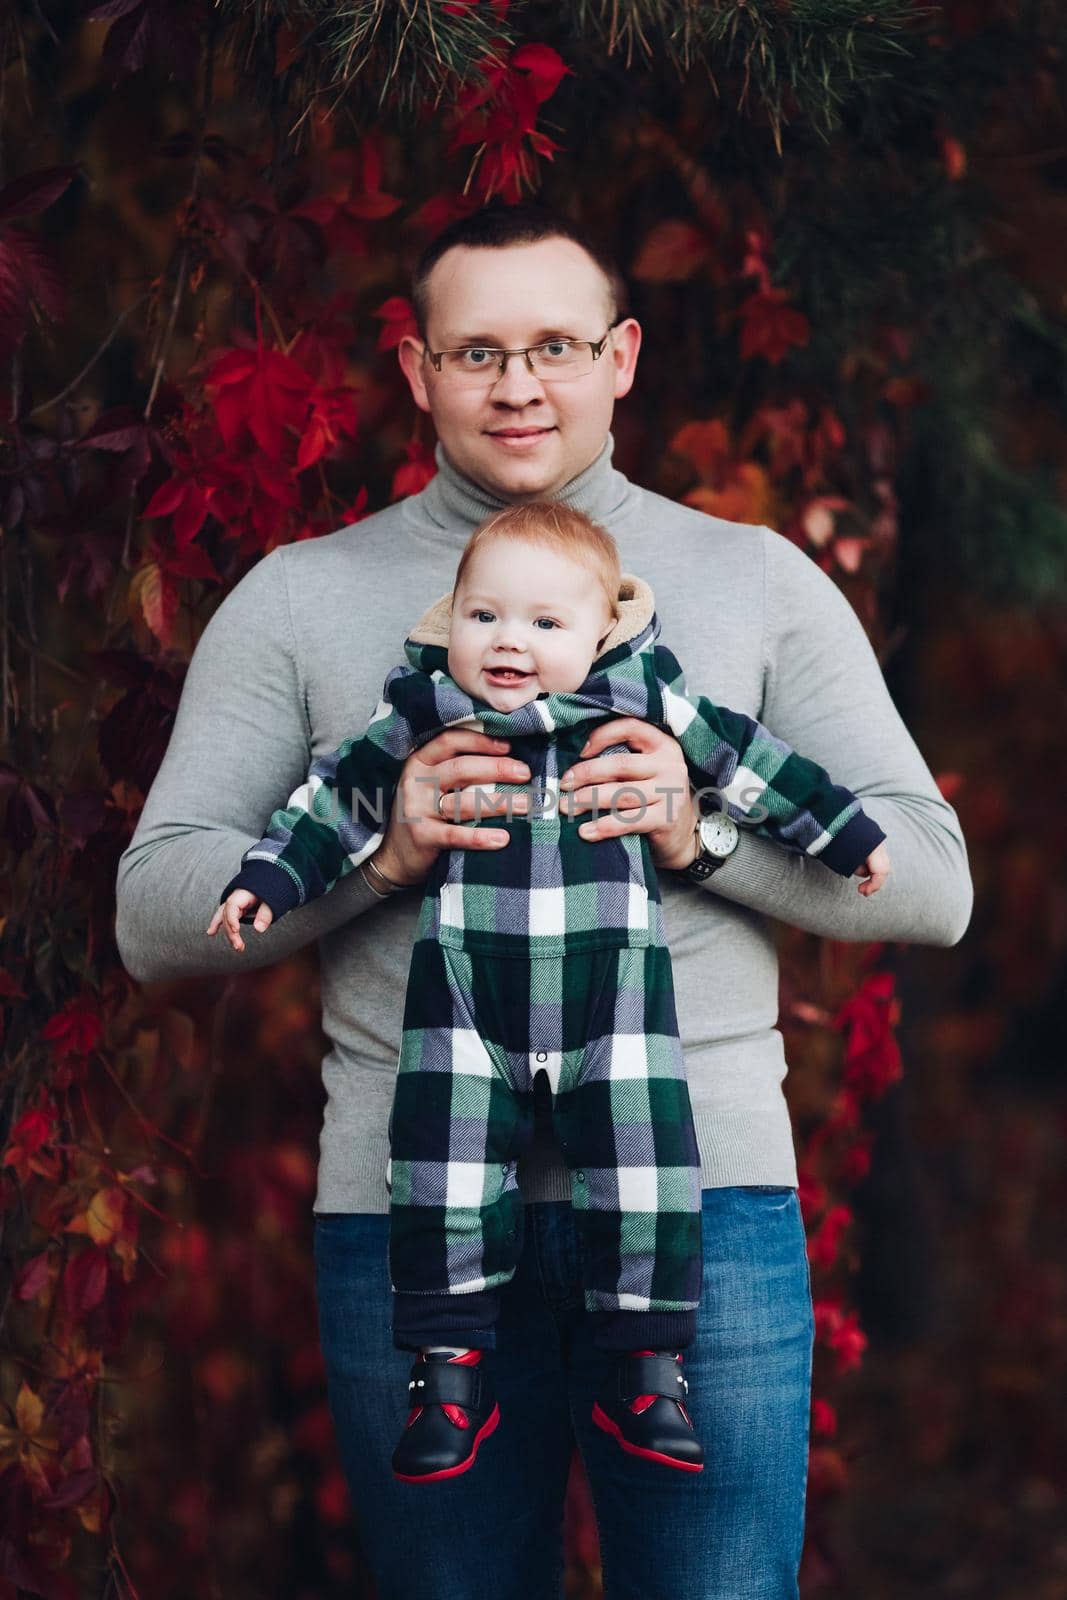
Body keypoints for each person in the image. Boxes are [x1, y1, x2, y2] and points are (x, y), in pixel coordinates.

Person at [115, 203, 972, 1599]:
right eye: (477, 352)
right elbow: (153, 911)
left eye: (557, 346)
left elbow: (928, 887)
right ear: (416, 370)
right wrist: (380, 858)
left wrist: (698, 840)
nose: (519, 385)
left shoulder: (751, 583)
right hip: (409, 1209)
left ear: (621, 356)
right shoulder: (304, 600)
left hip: (707, 1199)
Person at [206, 501, 890, 1483]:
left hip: (610, 1012)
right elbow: (338, 795)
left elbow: (752, 765)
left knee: (647, 1172)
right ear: (453, 623)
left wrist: (846, 835)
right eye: (484, 617)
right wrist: (270, 875)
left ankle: (645, 1371)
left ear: (601, 632)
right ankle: (445, 1375)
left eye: (543, 623)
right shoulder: (426, 714)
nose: (509, 642)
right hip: (463, 1010)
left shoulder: (644, 709)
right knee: (437, 1172)